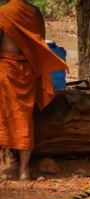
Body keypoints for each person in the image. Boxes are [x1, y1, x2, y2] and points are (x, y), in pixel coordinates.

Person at [0, 0, 68, 180]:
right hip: (27, 73)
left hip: (5, 72)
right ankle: (24, 171)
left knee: (3, 117)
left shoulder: (3, 12)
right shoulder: (35, 12)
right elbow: (40, 43)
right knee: (24, 118)